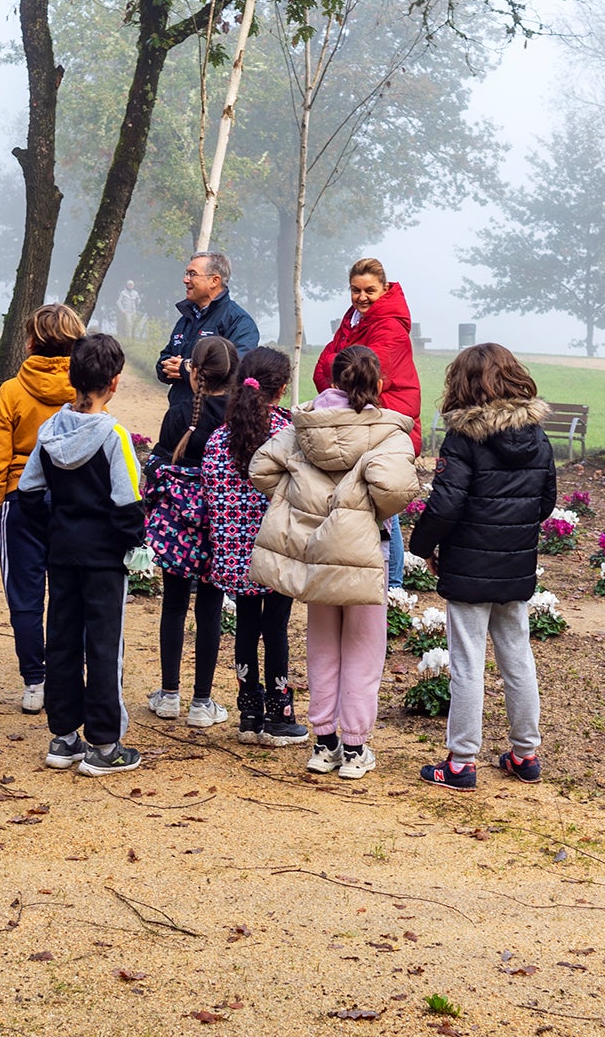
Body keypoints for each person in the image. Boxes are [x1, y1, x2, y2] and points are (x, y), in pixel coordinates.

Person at [248, 345, 418, 780]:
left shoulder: (302, 426)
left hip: (316, 554)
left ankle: (323, 744)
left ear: (332, 380)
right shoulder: (387, 432)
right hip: (364, 555)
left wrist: (302, 502)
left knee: (323, 645)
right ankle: (356, 748)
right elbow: (395, 489)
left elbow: (261, 469)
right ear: (378, 384)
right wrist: (364, 507)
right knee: (363, 650)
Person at [406, 343, 556, 788]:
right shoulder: (538, 435)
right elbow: (546, 502)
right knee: (518, 659)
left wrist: (423, 545)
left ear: (463, 383)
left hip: (468, 565)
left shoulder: (463, 437)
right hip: (515, 565)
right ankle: (525, 755)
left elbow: (446, 502)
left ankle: (460, 763)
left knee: (468, 662)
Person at [16, 333, 147, 776]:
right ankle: (106, 745)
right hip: (104, 558)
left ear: (72, 379)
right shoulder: (115, 437)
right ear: (114, 382)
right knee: (105, 645)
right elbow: (128, 500)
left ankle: (64, 736)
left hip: (62, 552)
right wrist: (134, 546)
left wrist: (53, 531)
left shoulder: (50, 431)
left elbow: (29, 490)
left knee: (64, 640)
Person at [0, 302, 83, 714]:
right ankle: (63, 675)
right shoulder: (83, 391)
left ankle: (34, 681)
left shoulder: (10, 390)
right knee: (65, 591)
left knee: (23, 595)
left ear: (30, 342)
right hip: (69, 500)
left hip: (18, 500)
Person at [198, 346, 298, 744]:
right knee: (275, 629)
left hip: (233, 554)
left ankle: (249, 712)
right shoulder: (288, 436)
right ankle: (279, 713)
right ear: (283, 388)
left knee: (244, 626)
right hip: (276, 550)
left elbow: (210, 494)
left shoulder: (219, 438)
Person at [312, 257, 423, 583]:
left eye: (370, 290)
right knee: (372, 499)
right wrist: (340, 371)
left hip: (389, 417)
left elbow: (365, 371)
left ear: (385, 288)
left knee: (385, 501)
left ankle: (393, 583)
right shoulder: (355, 319)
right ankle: (380, 577)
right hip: (365, 414)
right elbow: (328, 365)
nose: (362, 296)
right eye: (355, 290)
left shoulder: (389, 325)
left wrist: (340, 372)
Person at [144, 334, 237, 726]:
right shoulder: (237, 416)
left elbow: (158, 466)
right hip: (219, 528)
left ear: (193, 372)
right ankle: (202, 702)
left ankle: (168, 694)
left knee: (173, 606)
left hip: (178, 529)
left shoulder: (180, 414)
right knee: (210, 610)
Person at [154, 251, 260, 457]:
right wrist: (166, 366)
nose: (186, 280)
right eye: (186, 274)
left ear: (215, 280)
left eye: (192, 274)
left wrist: (186, 368)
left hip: (216, 426)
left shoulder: (239, 322)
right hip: (178, 418)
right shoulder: (186, 318)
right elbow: (166, 356)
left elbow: (237, 367)